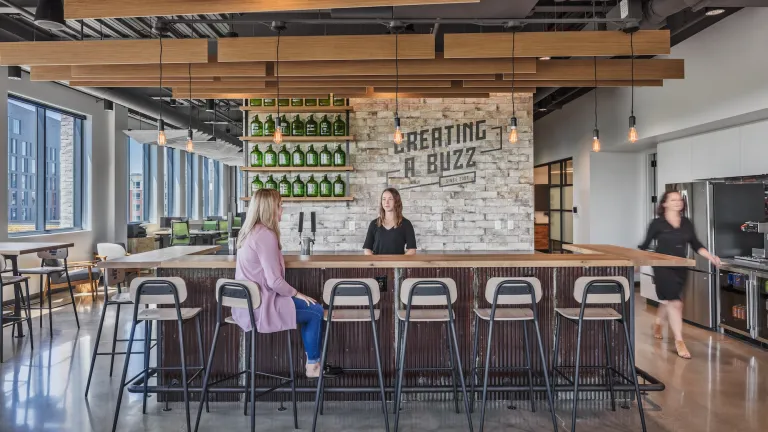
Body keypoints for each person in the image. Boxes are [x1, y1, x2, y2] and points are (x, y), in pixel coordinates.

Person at [232, 188, 325, 378]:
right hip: (260, 308)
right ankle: (313, 366)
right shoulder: (265, 235)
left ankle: (314, 364)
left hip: (243, 306)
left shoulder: (248, 232)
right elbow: (274, 281)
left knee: (312, 309)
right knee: (316, 311)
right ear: (270, 208)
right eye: (279, 205)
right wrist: (297, 293)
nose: (282, 210)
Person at [638, 190, 720, 359]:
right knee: (676, 303)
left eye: (679, 200)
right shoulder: (657, 223)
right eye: (673, 200)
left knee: (670, 299)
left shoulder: (686, 223)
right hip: (662, 267)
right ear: (664, 203)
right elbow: (644, 245)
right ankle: (679, 341)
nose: (677, 202)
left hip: (681, 267)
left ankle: (658, 322)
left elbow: (696, 244)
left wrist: (711, 257)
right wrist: (637, 264)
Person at [363, 188, 417, 255]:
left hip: (398, 262)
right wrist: (374, 261)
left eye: (390, 199)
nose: (386, 202)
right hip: (378, 262)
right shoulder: (374, 224)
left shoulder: (406, 224)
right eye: (384, 199)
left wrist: (399, 261)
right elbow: (367, 249)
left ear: (396, 201)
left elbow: (412, 250)